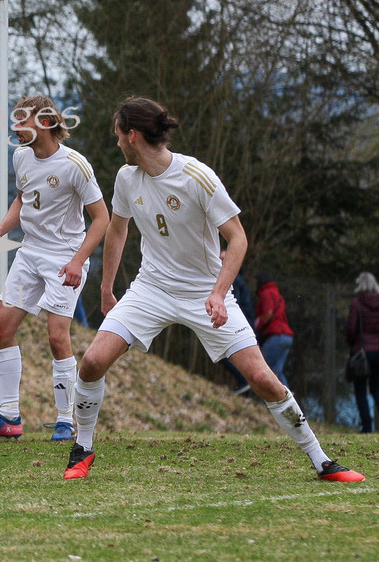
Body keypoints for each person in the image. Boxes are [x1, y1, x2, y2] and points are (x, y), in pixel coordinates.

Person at [64, 97, 363, 483]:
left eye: (119, 135)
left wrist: (219, 293)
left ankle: (322, 461)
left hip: (204, 294)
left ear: (133, 135)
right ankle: (82, 449)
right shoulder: (126, 178)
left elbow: (238, 239)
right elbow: (117, 230)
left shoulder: (196, 176)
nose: (117, 142)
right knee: (91, 362)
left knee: (262, 378)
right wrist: (107, 289)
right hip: (150, 289)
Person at [0, 96, 109, 441]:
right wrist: (2, 229)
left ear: (44, 123)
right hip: (29, 253)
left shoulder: (75, 165)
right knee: (0, 329)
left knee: (57, 337)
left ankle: (65, 421)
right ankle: (8, 417)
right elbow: (23, 197)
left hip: (64, 258)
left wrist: (77, 261)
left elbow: (102, 218)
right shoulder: (21, 156)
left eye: (21, 120)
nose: (15, 127)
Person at [346, 272, 379, 433]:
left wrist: (353, 344)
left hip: (362, 352)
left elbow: (351, 329)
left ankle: (366, 427)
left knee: (360, 391)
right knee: (377, 389)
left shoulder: (357, 303)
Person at [253, 271, 294, 387]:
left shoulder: (266, 293)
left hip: (277, 335)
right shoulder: (277, 294)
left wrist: (256, 325)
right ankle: (287, 395)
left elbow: (268, 313)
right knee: (277, 370)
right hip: (287, 336)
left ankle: (260, 395)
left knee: (262, 367)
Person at [220, 249, 253, 394]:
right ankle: (245, 383)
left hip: (238, 323)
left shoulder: (234, 280)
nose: (220, 263)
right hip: (238, 321)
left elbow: (234, 303)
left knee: (226, 354)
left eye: (223, 260)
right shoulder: (234, 279)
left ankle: (244, 381)